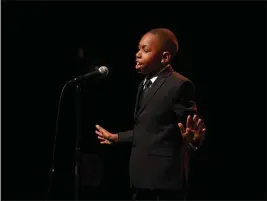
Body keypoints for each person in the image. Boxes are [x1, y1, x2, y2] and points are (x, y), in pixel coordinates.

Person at [95, 28, 206, 200]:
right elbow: (149, 129)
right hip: (141, 178)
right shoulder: (144, 84)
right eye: (139, 49)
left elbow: (193, 128)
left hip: (165, 180)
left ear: (164, 58)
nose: (138, 54)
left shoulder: (179, 85)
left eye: (145, 50)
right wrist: (116, 137)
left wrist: (195, 141)